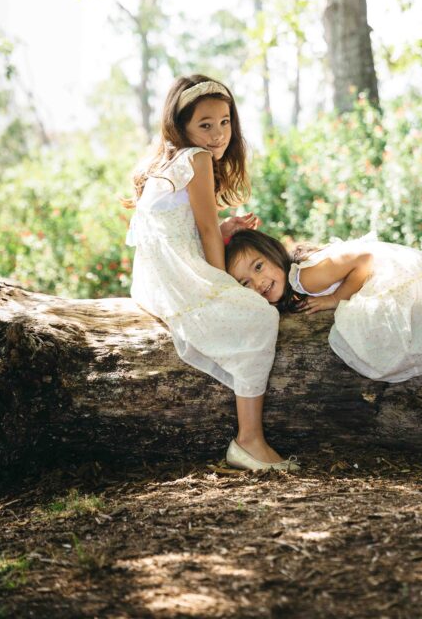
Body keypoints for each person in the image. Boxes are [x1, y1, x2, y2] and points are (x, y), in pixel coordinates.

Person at [127, 75, 297, 472]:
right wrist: (223, 288)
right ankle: (249, 440)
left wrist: (225, 231)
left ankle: (250, 439)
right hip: (173, 282)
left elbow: (184, 231)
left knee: (250, 307)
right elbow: (203, 231)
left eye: (225, 121)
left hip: (154, 281)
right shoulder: (195, 159)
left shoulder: (167, 163)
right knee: (258, 316)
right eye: (205, 124)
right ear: (181, 126)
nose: (218, 133)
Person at [225, 230, 422, 383]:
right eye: (246, 283)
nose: (258, 282)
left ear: (273, 253)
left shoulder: (305, 277)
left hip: (389, 273)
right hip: (382, 277)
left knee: (373, 331)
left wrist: (335, 299)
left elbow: (364, 259)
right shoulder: (294, 284)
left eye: (259, 267)